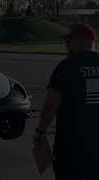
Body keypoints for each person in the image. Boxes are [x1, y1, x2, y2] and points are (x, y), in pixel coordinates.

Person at [33, 24, 99, 180]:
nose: (66, 45)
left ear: (77, 41)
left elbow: (51, 105)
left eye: (68, 41)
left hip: (71, 146)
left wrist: (40, 131)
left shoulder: (66, 67)